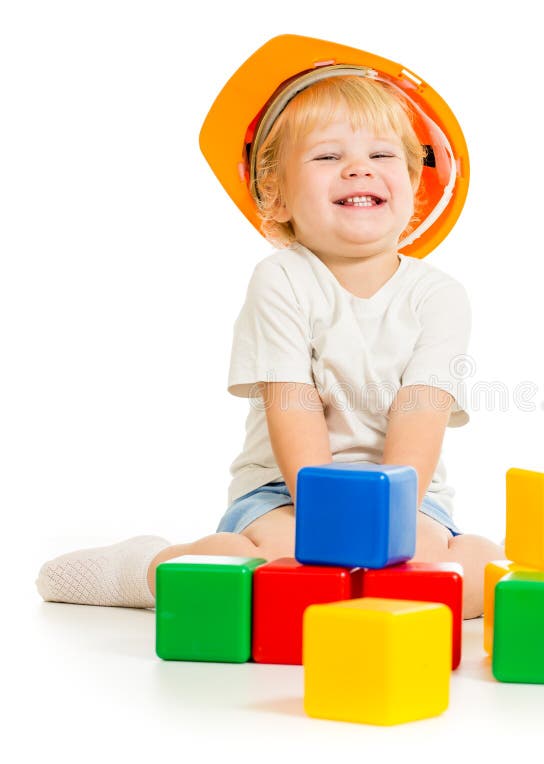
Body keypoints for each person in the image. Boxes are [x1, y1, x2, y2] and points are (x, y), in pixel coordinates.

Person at [36, 72, 505, 619]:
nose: (359, 168)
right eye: (328, 156)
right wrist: (329, 525)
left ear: (415, 185)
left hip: (407, 500)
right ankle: (146, 568)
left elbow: (420, 414)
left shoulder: (439, 296)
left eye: (382, 154)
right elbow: (293, 406)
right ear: (276, 195)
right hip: (285, 495)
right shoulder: (281, 279)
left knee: (470, 576)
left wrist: (388, 524)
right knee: (267, 576)